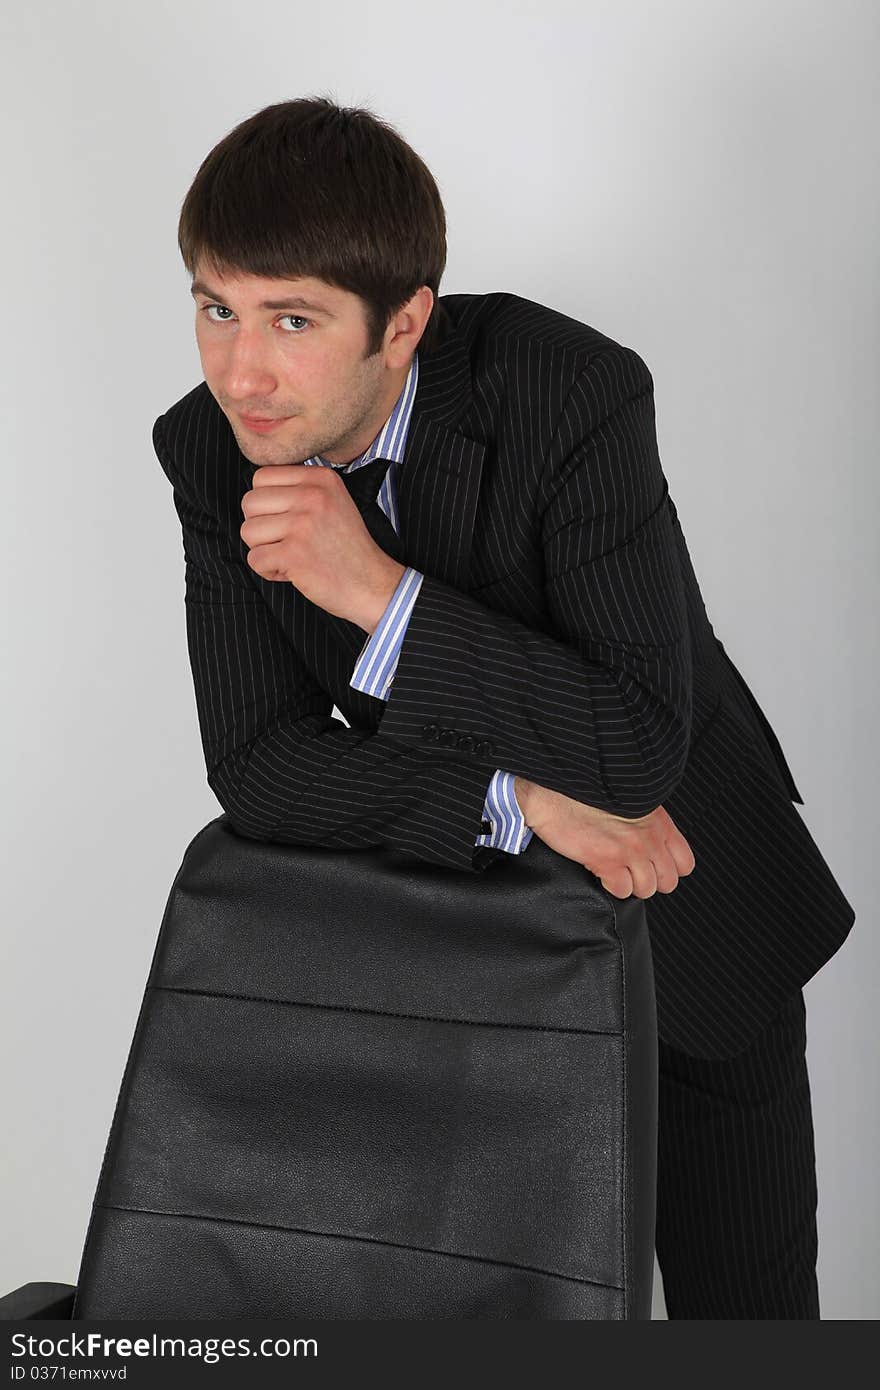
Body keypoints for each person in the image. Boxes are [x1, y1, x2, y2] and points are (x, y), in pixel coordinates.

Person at [152, 95, 855, 1318]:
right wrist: (513, 800)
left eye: (293, 319)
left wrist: (379, 593)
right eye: (217, 307)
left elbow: (636, 742)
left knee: (748, 1325)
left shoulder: (571, 391)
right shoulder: (208, 451)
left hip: (690, 907)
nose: (239, 369)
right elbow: (259, 765)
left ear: (404, 323)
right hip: (452, 946)